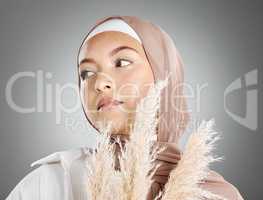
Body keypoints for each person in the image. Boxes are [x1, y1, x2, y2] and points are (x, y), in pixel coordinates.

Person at [6, 15, 244, 200]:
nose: (99, 83)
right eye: (86, 73)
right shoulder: (48, 185)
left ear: (165, 73)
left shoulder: (216, 194)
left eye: (122, 62)